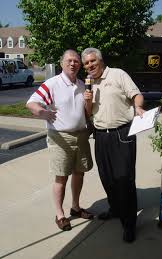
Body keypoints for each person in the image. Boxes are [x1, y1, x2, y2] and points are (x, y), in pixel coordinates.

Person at [82, 48, 145, 243]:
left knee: (124, 179)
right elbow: (88, 113)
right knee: (107, 177)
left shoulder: (118, 74)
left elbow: (136, 94)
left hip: (121, 134)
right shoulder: (89, 84)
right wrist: (87, 101)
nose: (90, 65)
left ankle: (129, 224)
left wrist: (138, 107)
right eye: (86, 63)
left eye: (92, 61)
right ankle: (116, 209)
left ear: (100, 61)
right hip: (101, 136)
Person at [26, 49, 93, 231]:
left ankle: (76, 207)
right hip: (60, 137)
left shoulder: (82, 85)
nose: (73, 64)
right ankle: (60, 214)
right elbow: (31, 103)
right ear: (62, 63)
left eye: (76, 61)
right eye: (69, 60)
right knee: (61, 177)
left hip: (81, 135)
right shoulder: (52, 84)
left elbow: (87, 113)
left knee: (80, 173)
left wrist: (89, 102)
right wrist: (43, 113)